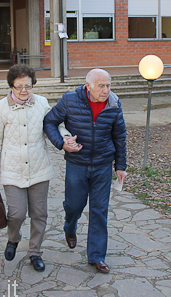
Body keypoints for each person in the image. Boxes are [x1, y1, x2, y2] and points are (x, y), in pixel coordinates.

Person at [0, 64, 76, 272]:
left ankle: (35, 252)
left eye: (28, 86)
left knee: (39, 214)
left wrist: (66, 137)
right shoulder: (0, 108)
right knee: (16, 214)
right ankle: (13, 239)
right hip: (12, 170)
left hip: (39, 168)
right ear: (11, 86)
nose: (24, 90)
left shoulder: (41, 103)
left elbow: (54, 124)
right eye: (19, 86)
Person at [44, 69, 127, 274]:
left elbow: (119, 136)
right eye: (101, 86)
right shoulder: (70, 100)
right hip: (77, 164)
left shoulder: (114, 104)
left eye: (108, 85)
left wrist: (120, 166)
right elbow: (49, 122)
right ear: (88, 86)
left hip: (103, 165)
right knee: (74, 206)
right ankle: (70, 227)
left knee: (99, 211)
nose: (106, 90)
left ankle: (97, 256)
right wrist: (61, 144)